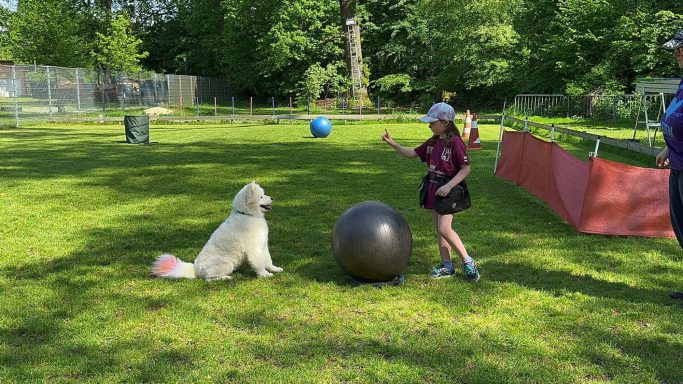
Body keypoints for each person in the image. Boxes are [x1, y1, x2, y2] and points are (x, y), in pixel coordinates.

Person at [381, 102, 480, 281]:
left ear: (445, 123)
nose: (429, 125)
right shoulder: (433, 141)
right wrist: (393, 144)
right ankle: (447, 266)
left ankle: (468, 262)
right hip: (433, 187)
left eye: (432, 122)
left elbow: (466, 169)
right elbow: (412, 154)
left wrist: (449, 186)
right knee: (440, 230)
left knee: (444, 228)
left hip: (449, 189)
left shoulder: (455, 142)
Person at [659, 29, 683, 305]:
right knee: (681, 228)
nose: (676, 54)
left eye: (681, 49)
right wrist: (668, 146)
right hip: (677, 163)